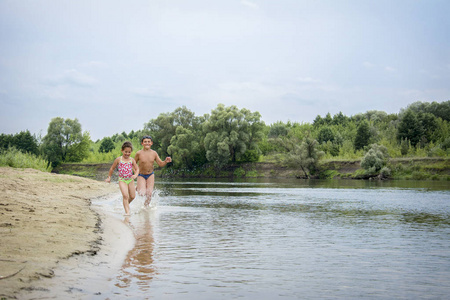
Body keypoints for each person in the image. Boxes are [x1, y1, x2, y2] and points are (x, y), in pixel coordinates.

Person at [135, 135, 172, 206]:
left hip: (150, 175)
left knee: (149, 194)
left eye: (148, 142)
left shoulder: (154, 153)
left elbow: (160, 164)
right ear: (142, 143)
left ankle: (146, 207)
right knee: (142, 193)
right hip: (141, 175)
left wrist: (165, 161)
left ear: (151, 143)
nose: (147, 143)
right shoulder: (139, 153)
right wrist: (135, 173)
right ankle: (137, 188)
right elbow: (133, 164)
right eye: (145, 142)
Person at [105, 141, 139, 215]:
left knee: (132, 196)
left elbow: (137, 169)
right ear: (122, 150)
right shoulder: (118, 159)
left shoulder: (132, 160)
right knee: (125, 195)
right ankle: (127, 212)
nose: (127, 153)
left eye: (129, 152)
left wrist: (135, 175)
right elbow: (112, 168)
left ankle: (125, 204)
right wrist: (109, 177)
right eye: (125, 152)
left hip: (130, 180)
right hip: (122, 180)